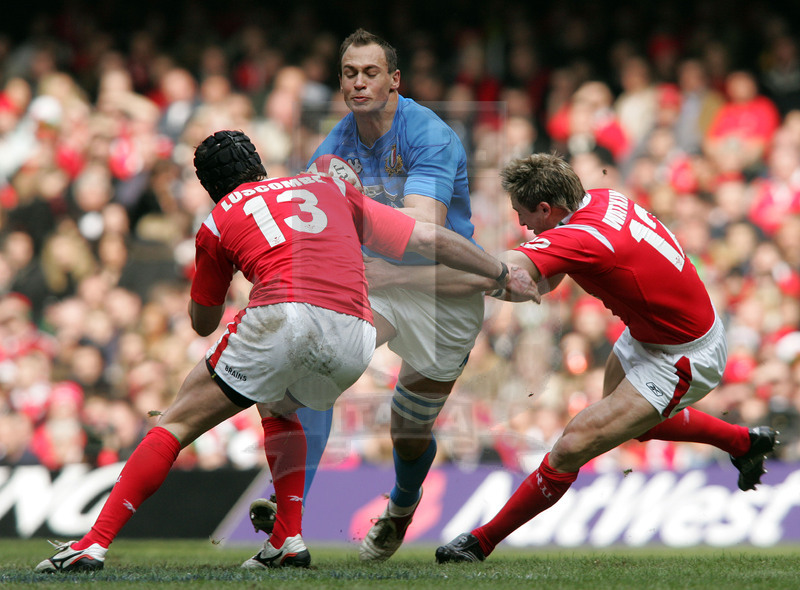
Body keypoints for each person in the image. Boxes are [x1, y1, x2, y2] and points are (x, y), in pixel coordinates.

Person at [33, 130, 532, 573]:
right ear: (258, 164)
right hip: (356, 333)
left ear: (210, 185)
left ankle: (92, 544)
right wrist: (497, 271)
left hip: (285, 313)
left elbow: (203, 323)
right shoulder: (326, 187)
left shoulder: (218, 219)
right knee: (278, 403)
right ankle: (287, 540)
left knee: (176, 420)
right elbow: (424, 236)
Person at [426, 153, 777, 563]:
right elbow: (552, 271)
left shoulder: (582, 237)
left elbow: (506, 270)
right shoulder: (600, 198)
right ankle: (745, 443)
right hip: (655, 332)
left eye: (524, 216)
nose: (523, 226)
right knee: (636, 428)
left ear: (545, 208)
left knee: (571, 446)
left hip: (681, 356)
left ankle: (478, 544)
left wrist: (427, 280)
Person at [252, 28, 489, 562]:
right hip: (376, 282)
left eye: (371, 73)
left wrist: (355, 217)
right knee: (316, 368)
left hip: (441, 289)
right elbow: (311, 223)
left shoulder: (430, 135)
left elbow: (423, 227)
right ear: (341, 82)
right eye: (350, 74)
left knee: (407, 432)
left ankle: (403, 505)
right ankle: (288, 517)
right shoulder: (334, 145)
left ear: (394, 81)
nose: (360, 83)